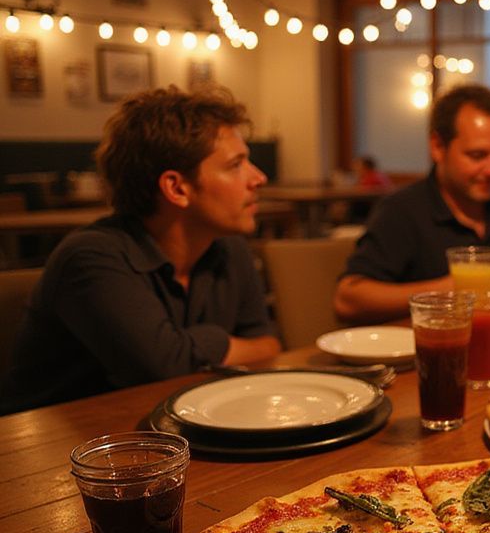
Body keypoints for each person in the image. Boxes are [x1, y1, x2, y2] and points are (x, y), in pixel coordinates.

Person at [0, 86, 280, 414]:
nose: (258, 178)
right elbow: (163, 369)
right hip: (50, 449)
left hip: (165, 434)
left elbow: (268, 345)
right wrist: (216, 342)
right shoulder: (91, 258)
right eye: (236, 165)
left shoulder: (229, 248)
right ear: (177, 188)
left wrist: (190, 346)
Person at [333, 84, 490, 325]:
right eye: (477, 156)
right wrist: (451, 290)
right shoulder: (402, 210)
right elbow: (348, 298)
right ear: (438, 147)